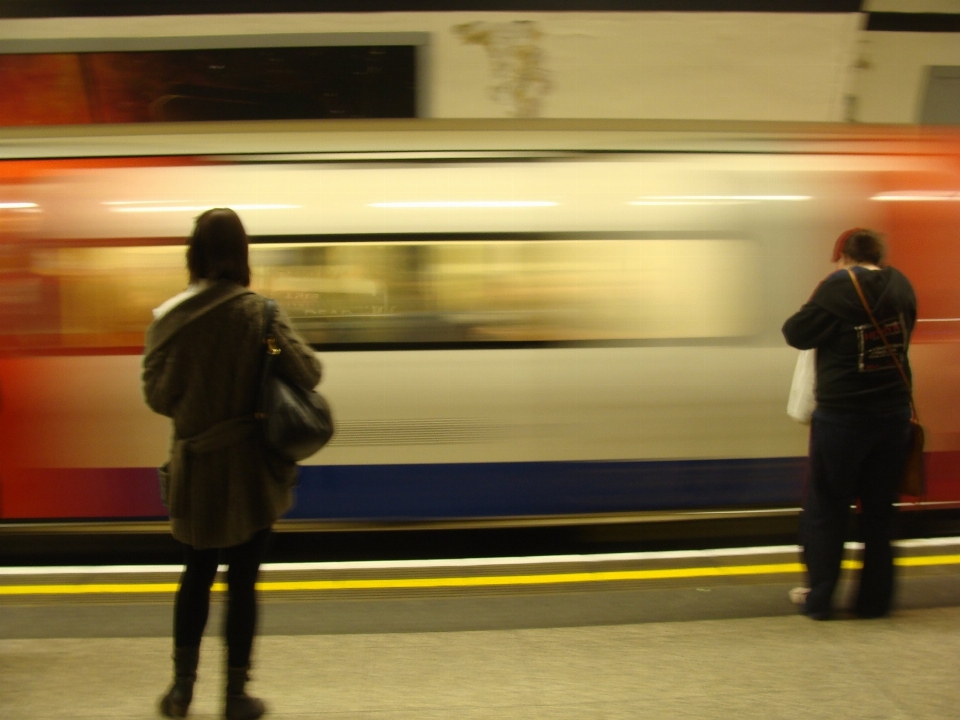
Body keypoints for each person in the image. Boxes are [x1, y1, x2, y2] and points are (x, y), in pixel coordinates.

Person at [143, 208, 322, 719]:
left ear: (193, 255)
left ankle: (180, 691)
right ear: (242, 254)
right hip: (250, 473)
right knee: (243, 580)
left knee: (195, 573)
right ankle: (236, 694)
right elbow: (307, 372)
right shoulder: (260, 313)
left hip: (196, 470)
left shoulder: (170, 318)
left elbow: (157, 395)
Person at [782, 228, 917, 620]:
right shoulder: (901, 285)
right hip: (893, 416)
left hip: (843, 417)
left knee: (828, 507)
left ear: (844, 257)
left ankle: (820, 598)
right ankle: (875, 602)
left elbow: (796, 332)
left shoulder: (839, 286)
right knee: (879, 511)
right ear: (879, 254)